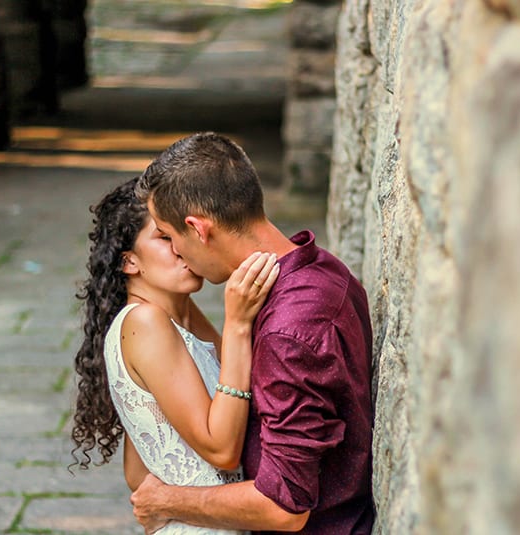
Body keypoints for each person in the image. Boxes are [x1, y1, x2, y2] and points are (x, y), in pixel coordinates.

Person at [131, 132, 375, 534]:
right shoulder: (324, 267)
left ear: (198, 228)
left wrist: (167, 501)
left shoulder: (289, 332)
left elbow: (283, 507)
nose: (176, 253)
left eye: (171, 237)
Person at [71, 177, 280, 534]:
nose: (180, 246)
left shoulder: (182, 314)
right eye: (164, 237)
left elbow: (138, 471)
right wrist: (239, 325)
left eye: (180, 232)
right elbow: (222, 450)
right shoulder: (145, 322)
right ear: (130, 262)